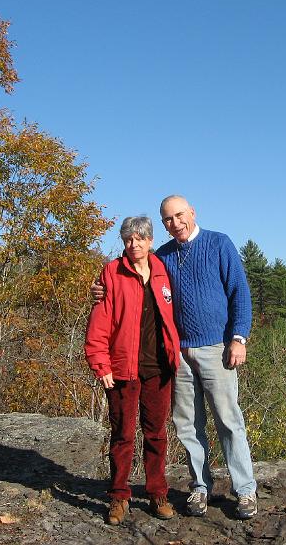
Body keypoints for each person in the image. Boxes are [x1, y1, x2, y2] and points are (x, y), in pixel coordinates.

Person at [92, 195, 258, 520]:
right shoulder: (163, 257)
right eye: (168, 219)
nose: (175, 223)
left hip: (217, 349)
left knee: (228, 421)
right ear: (163, 226)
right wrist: (102, 287)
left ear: (192, 213)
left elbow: (240, 291)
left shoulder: (219, 244)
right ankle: (200, 487)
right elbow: (131, 266)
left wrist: (238, 338)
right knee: (187, 425)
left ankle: (245, 490)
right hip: (176, 353)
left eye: (179, 215)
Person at [84, 216, 181, 526]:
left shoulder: (164, 271)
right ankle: (118, 496)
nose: (134, 244)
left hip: (158, 367)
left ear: (150, 241)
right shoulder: (112, 272)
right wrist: (101, 364)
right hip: (123, 368)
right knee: (122, 435)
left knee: (156, 434)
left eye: (140, 238)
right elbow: (100, 322)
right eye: (128, 239)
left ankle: (157, 493)